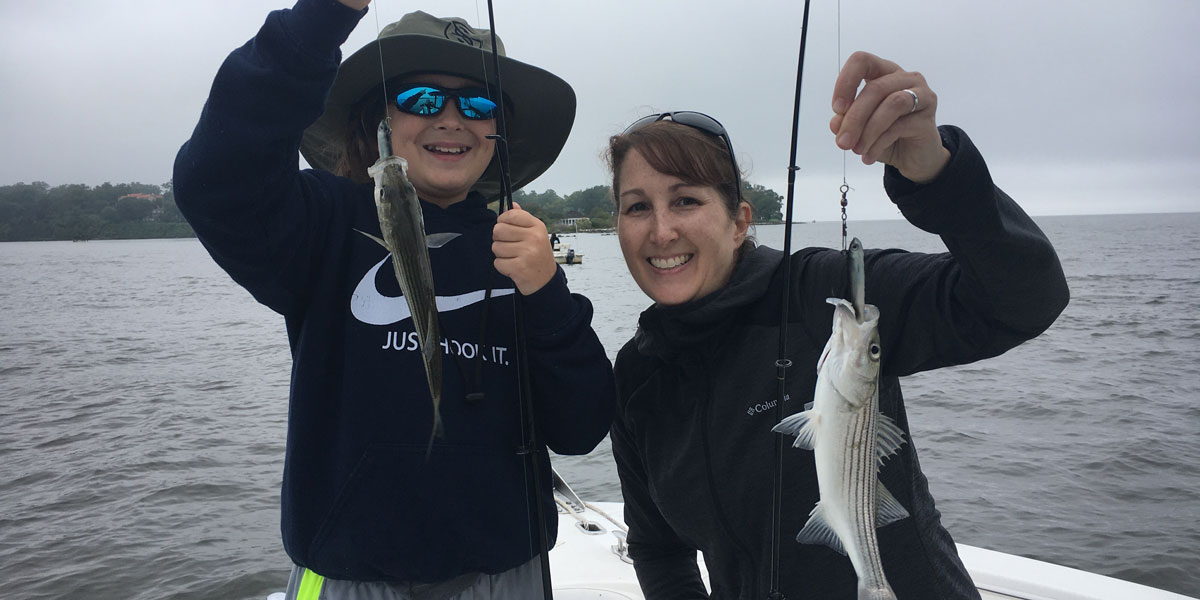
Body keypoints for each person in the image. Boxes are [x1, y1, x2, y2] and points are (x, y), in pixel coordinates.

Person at [173, 0, 615, 598]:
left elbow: (582, 426)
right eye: (423, 99)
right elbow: (217, 177)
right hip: (349, 573)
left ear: (497, 134)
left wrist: (548, 294)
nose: (452, 119)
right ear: (376, 118)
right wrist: (322, 17)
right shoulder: (322, 221)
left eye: (479, 104)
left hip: (506, 570)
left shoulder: (523, 250)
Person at [605, 51, 1070, 599]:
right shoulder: (637, 375)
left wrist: (938, 174)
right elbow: (659, 551)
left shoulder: (826, 296)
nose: (661, 231)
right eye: (637, 207)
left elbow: (1024, 299)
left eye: (685, 199)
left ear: (739, 223)